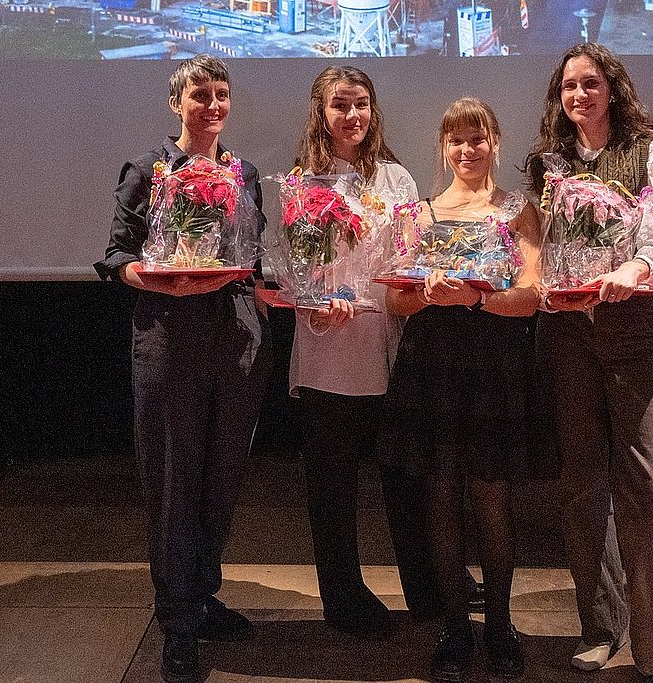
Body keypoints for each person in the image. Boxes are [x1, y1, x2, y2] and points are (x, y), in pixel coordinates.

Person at [94, 55, 272, 683]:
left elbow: (251, 257)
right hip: (168, 343)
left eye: (221, 95)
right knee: (172, 485)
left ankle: (201, 596)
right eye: (200, 95)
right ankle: (176, 629)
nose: (213, 106)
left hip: (234, 342)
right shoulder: (149, 171)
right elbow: (116, 255)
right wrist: (153, 277)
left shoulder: (244, 172)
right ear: (177, 103)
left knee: (222, 482)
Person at [524, 43, 653, 683]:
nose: (579, 96)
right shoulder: (546, 164)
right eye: (569, 87)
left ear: (612, 89)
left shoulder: (648, 151)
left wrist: (635, 268)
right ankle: (600, 627)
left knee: (651, 491)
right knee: (582, 489)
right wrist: (534, 279)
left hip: (635, 329)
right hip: (569, 334)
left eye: (590, 84)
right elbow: (534, 245)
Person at [377, 97, 546, 681]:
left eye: (477, 138)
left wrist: (473, 296)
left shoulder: (519, 211)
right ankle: (454, 628)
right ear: (442, 148)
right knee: (441, 503)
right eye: (456, 140)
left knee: (493, 502)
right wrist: (427, 292)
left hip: (494, 368)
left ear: (495, 142)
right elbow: (394, 298)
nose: (467, 149)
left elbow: (531, 297)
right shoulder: (419, 214)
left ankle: (498, 625)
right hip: (433, 368)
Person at [287, 65, 444, 634]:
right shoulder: (304, 181)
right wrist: (313, 296)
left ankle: (427, 593)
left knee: (407, 483)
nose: (353, 116)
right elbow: (292, 269)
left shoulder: (397, 181)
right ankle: (343, 600)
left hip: (390, 348)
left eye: (362, 105)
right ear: (321, 114)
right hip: (328, 350)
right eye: (340, 105)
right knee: (332, 487)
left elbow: (409, 259)